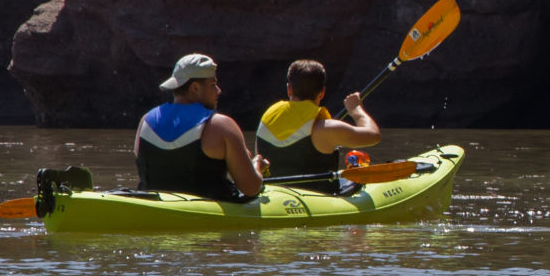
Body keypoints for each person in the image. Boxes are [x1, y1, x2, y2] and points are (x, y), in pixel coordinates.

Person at [135, 53, 263, 200]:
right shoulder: (221, 125)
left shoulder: (145, 121)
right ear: (195, 88)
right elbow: (251, 188)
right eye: (213, 85)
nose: (218, 91)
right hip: (205, 214)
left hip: (154, 209)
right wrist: (256, 165)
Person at [254, 59, 383, 184]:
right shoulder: (327, 129)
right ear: (322, 92)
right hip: (320, 197)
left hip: (275, 196)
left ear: (289, 89)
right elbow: (374, 135)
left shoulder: (267, 117)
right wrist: (356, 109)